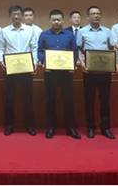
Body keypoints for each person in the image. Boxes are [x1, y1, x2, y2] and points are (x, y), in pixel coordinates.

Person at [38, 9, 81, 139]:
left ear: (62, 20)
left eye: (58, 19)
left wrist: (72, 64)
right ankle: (50, 127)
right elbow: (40, 51)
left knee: (68, 100)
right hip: (50, 73)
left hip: (66, 73)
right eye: (54, 20)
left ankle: (71, 128)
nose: (56, 22)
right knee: (50, 100)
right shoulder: (44, 35)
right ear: (50, 21)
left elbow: (75, 51)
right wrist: (44, 61)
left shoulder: (69, 35)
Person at [0, 5, 37, 136]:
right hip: (10, 68)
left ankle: (30, 126)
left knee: (28, 98)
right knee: (9, 98)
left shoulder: (30, 30)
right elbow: (0, 48)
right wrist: (1, 60)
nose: (16, 16)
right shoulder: (4, 31)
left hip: (26, 68)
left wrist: (34, 63)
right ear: (10, 16)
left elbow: (34, 47)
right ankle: (9, 125)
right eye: (13, 14)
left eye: (18, 14)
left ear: (22, 15)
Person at [77, 5, 115, 139]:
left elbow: (112, 48)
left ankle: (106, 128)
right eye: (93, 13)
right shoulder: (82, 31)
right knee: (89, 100)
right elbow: (79, 49)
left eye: (98, 13)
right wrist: (82, 63)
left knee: (105, 101)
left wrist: (115, 63)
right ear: (88, 16)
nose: (96, 15)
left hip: (105, 71)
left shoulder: (107, 31)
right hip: (89, 71)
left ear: (101, 15)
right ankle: (90, 127)